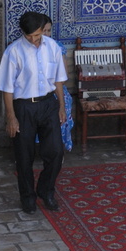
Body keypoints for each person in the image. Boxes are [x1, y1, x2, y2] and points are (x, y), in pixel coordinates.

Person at [0, 12, 68, 214]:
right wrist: (11, 117)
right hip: (24, 107)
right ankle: (27, 197)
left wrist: (61, 106)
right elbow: (6, 88)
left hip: (48, 104)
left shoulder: (52, 47)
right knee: (24, 155)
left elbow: (59, 80)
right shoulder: (13, 52)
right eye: (30, 37)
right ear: (23, 33)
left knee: (56, 152)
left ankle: (46, 191)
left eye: (37, 35)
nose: (34, 40)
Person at [42, 16, 74, 152]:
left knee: (63, 102)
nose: (47, 34)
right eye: (43, 31)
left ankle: (57, 148)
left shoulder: (57, 47)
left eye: (49, 31)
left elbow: (63, 76)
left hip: (56, 89)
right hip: (38, 92)